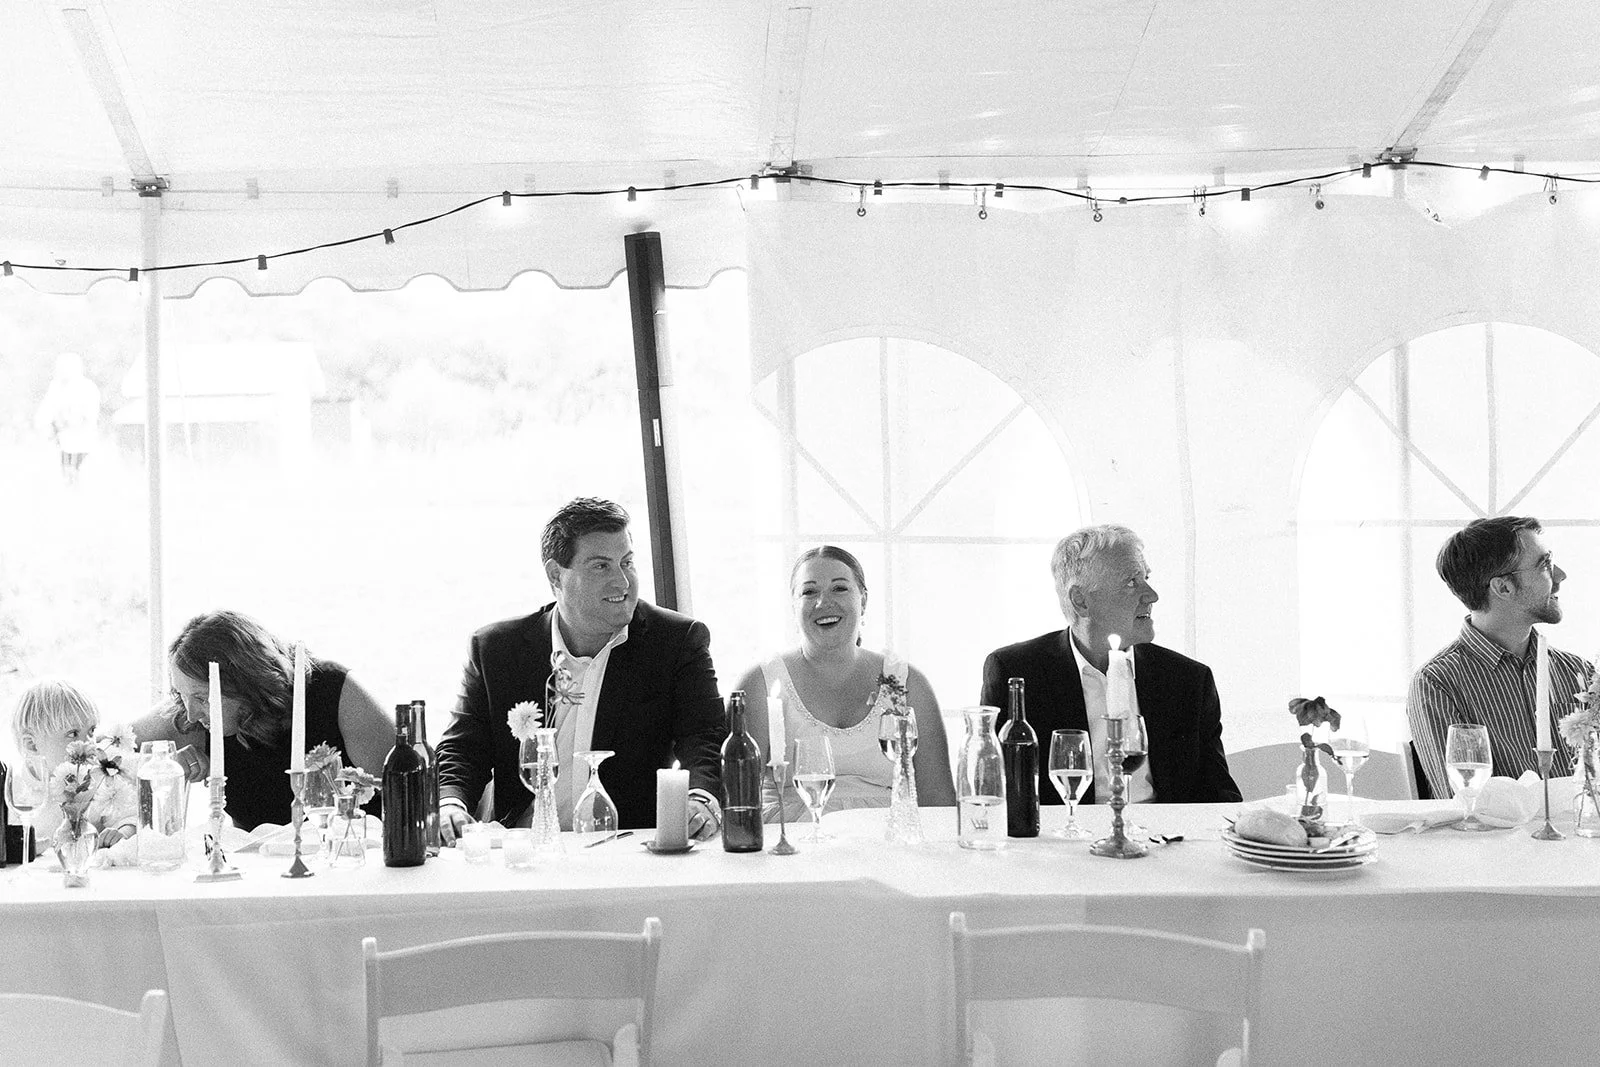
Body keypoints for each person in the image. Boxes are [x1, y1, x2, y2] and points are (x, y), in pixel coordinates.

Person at [435, 498, 725, 842]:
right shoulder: (496, 649)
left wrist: (701, 798)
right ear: (556, 575)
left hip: (627, 851)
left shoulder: (676, 642)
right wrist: (450, 804)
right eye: (601, 566)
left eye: (627, 562)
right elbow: (463, 748)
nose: (623, 582)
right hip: (524, 848)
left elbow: (705, 738)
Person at [980, 524, 1241, 805]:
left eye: (1146, 578)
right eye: (1131, 582)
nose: (1152, 595)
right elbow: (996, 796)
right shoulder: (1016, 672)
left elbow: (1219, 798)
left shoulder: (1187, 679)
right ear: (1080, 600)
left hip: (1163, 841)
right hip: (1062, 842)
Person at [734, 545, 956, 820]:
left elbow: (940, 805)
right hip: (793, 846)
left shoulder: (908, 684)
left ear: (863, 600)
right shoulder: (760, 684)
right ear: (793, 606)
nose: (823, 602)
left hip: (887, 849)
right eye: (809, 591)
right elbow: (738, 808)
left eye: (839, 588)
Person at [131, 610, 395, 831]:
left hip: (353, 865)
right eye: (180, 693)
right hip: (257, 877)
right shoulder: (191, 718)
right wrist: (163, 770)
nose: (191, 714)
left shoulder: (332, 692)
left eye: (203, 697)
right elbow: (106, 758)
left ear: (246, 682)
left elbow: (403, 792)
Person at [1406, 516, 1592, 799]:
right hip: (1499, 844)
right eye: (1545, 565)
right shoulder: (1436, 683)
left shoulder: (1578, 672)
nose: (1560, 575)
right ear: (1503, 588)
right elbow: (1464, 806)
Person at [10, 678, 104, 845]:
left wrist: (122, 831)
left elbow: (127, 816)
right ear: (32, 745)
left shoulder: (98, 780)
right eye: (73, 734)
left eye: (92, 730)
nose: (89, 742)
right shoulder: (14, 792)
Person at [32, 352, 100, 484]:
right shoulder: (56, 387)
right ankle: (69, 485)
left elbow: (91, 413)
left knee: (79, 467)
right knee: (65, 467)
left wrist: (78, 420)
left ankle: (77, 485)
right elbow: (46, 409)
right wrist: (46, 424)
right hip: (63, 437)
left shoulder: (87, 387)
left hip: (82, 437)